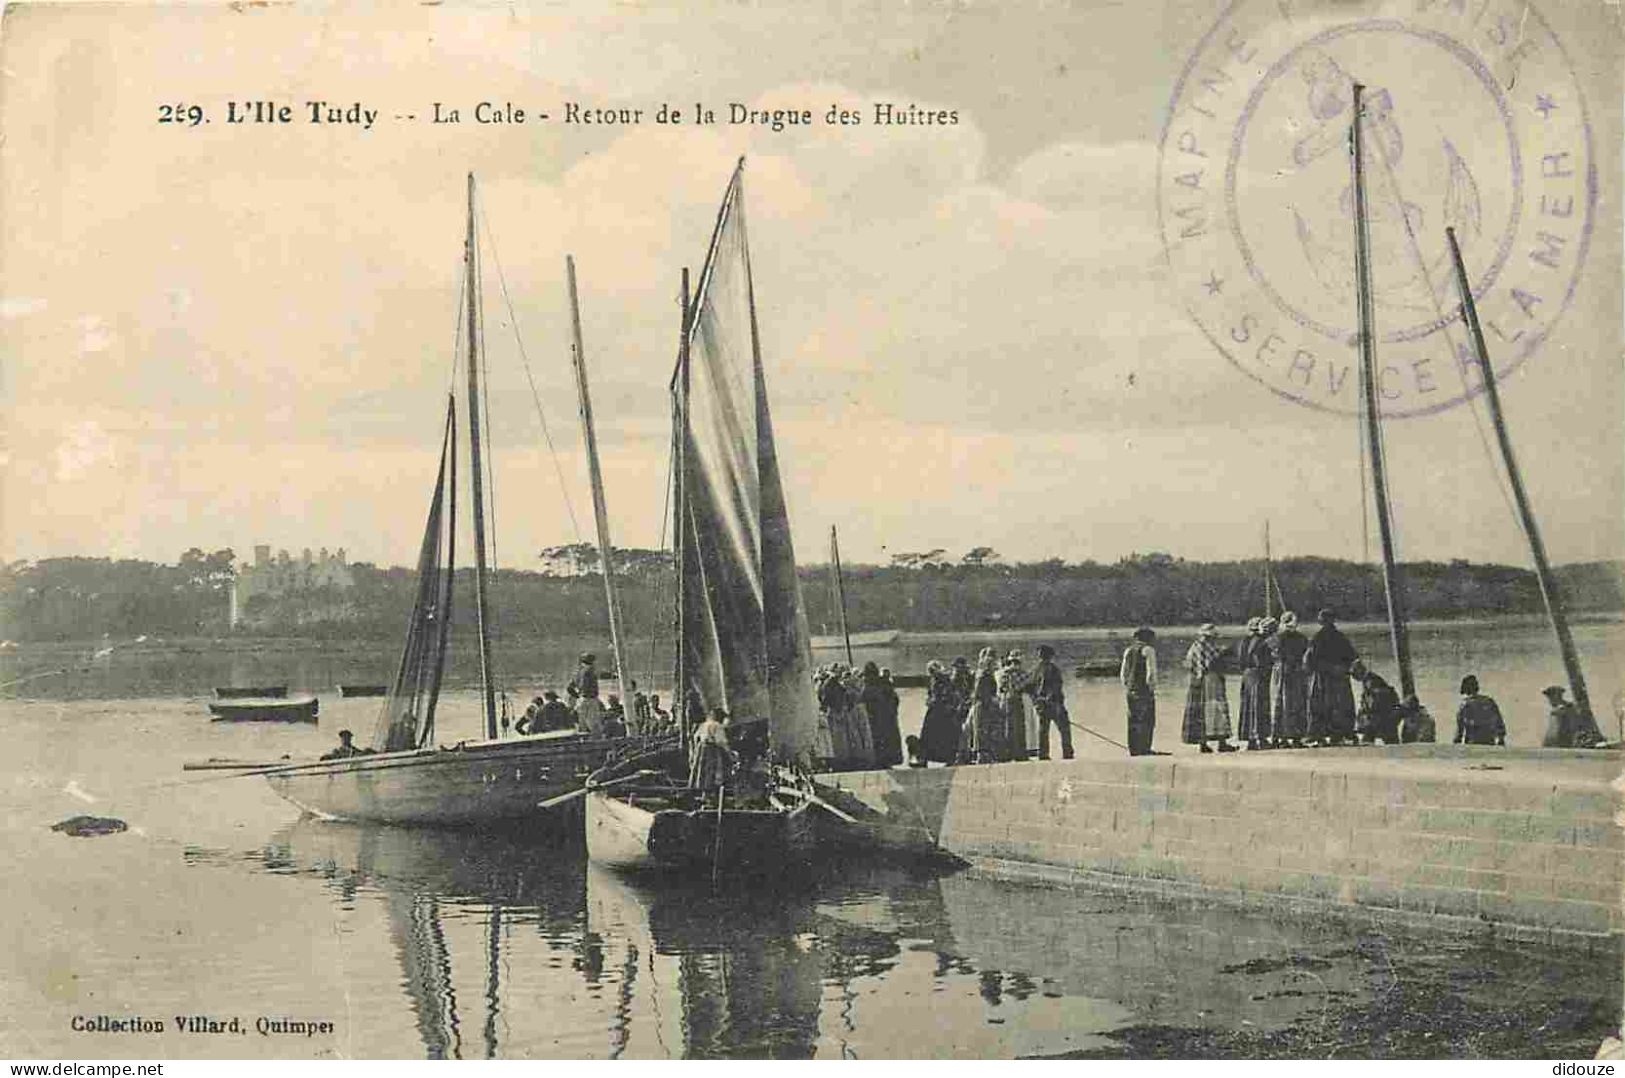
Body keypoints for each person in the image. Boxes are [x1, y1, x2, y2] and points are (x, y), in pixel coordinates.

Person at [1305, 609, 1358, 746]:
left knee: (1322, 705)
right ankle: (1340, 734)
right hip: (1340, 677)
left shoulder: (1317, 638)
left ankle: (1322, 735)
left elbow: (1310, 661)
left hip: (1324, 678)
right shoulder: (1341, 637)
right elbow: (1352, 656)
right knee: (1341, 705)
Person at [1183, 623, 1237, 752]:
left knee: (1202, 711)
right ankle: (1221, 742)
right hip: (1211, 679)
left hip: (1198, 682)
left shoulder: (1194, 647)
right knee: (1217, 709)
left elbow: (1188, 664)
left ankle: (1203, 744)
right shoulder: (1209, 647)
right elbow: (1213, 662)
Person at [1028, 643, 1075, 760]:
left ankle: (1043, 754)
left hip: (1042, 705)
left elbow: (1029, 688)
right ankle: (1067, 753)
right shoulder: (1053, 669)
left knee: (1043, 730)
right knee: (1064, 728)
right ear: (1050, 656)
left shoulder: (1035, 670)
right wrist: (1055, 702)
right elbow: (1057, 687)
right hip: (1054, 704)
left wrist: (1036, 701)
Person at [1271, 611, 1310, 748]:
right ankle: (1293, 737)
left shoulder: (1277, 638)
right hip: (1291, 673)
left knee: (1285, 704)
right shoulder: (1298, 638)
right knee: (1292, 704)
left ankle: (1284, 737)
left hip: (1286, 672)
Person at [1237, 617, 1277, 750]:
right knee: (1259, 706)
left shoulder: (1245, 641)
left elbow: (1241, 661)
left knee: (1248, 707)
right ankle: (1261, 738)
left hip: (1247, 676)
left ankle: (1251, 740)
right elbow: (1262, 661)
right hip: (1259, 677)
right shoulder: (1262, 642)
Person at [1119, 628, 1157, 756]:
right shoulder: (1148, 650)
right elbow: (1151, 673)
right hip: (1144, 690)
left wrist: (1127, 686)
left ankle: (1134, 749)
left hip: (1131, 689)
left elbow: (1123, 673)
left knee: (1133, 719)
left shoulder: (1128, 650)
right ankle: (1145, 748)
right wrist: (1151, 688)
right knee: (1147, 719)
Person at [963, 647, 1004, 763]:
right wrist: (993, 699)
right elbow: (981, 692)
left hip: (983, 704)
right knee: (982, 729)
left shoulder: (981, 673)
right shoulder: (984, 675)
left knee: (982, 729)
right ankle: (982, 755)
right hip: (983, 705)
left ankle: (983, 754)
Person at [917, 660, 961, 765]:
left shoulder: (942, 679)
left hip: (940, 710)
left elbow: (942, 695)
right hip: (940, 710)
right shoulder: (940, 679)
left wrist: (932, 701)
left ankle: (929, 757)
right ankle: (944, 757)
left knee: (932, 734)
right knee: (938, 735)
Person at [861, 662, 904, 768]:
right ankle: (888, 760)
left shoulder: (868, 687)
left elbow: (864, 701)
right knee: (888, 738)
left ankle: (880, 760)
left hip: (876, 718)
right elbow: (895, 700)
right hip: (887, 717)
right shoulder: (884, 685)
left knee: (878, 739)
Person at [1354, 661, 1402, 744]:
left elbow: (1374, 700)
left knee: (1373, 730)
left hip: (1382, 712)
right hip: (1385, 711)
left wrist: (1365, 711)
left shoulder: (1370, 680)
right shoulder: (1369, 679)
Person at [1454, 675, 1507, 746]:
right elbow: (1499, 723)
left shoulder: (1465, 705)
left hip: (1472, 742)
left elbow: (1459, 731)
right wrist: (1501, 739)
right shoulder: (1489, 701)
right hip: (1489, 741)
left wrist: (1456, 744)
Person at [689, 707, 734, 790]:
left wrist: (696, 748)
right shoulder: (717, 726)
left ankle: (694, 787)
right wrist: (729, 753)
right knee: (710, 770)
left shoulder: (704, 724)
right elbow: (721, 742)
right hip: (711, 748)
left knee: (698, 768)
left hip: (701, 747)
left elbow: (695, 737)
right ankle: (707, 792)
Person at [998, 651, 1030, 762]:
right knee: (1019, 727)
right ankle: (1019, 754)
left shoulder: (1003, 673)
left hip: (1004, 701)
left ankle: (1007, 754)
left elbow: (1001, 689)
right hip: (1015, 700)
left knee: (1007, 727)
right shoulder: (1021, 673)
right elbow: (1027, 686)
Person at [572, 653, 605, 736]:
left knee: (582, 723)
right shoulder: (590, 671)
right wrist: (615, 675)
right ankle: (597, 741)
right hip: (591, 699)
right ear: (592, 662)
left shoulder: (578, 673)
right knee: (594, 724)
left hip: (582, 699)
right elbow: (601, 675)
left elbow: (569, 688)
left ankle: (582, 741)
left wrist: (578, 696)